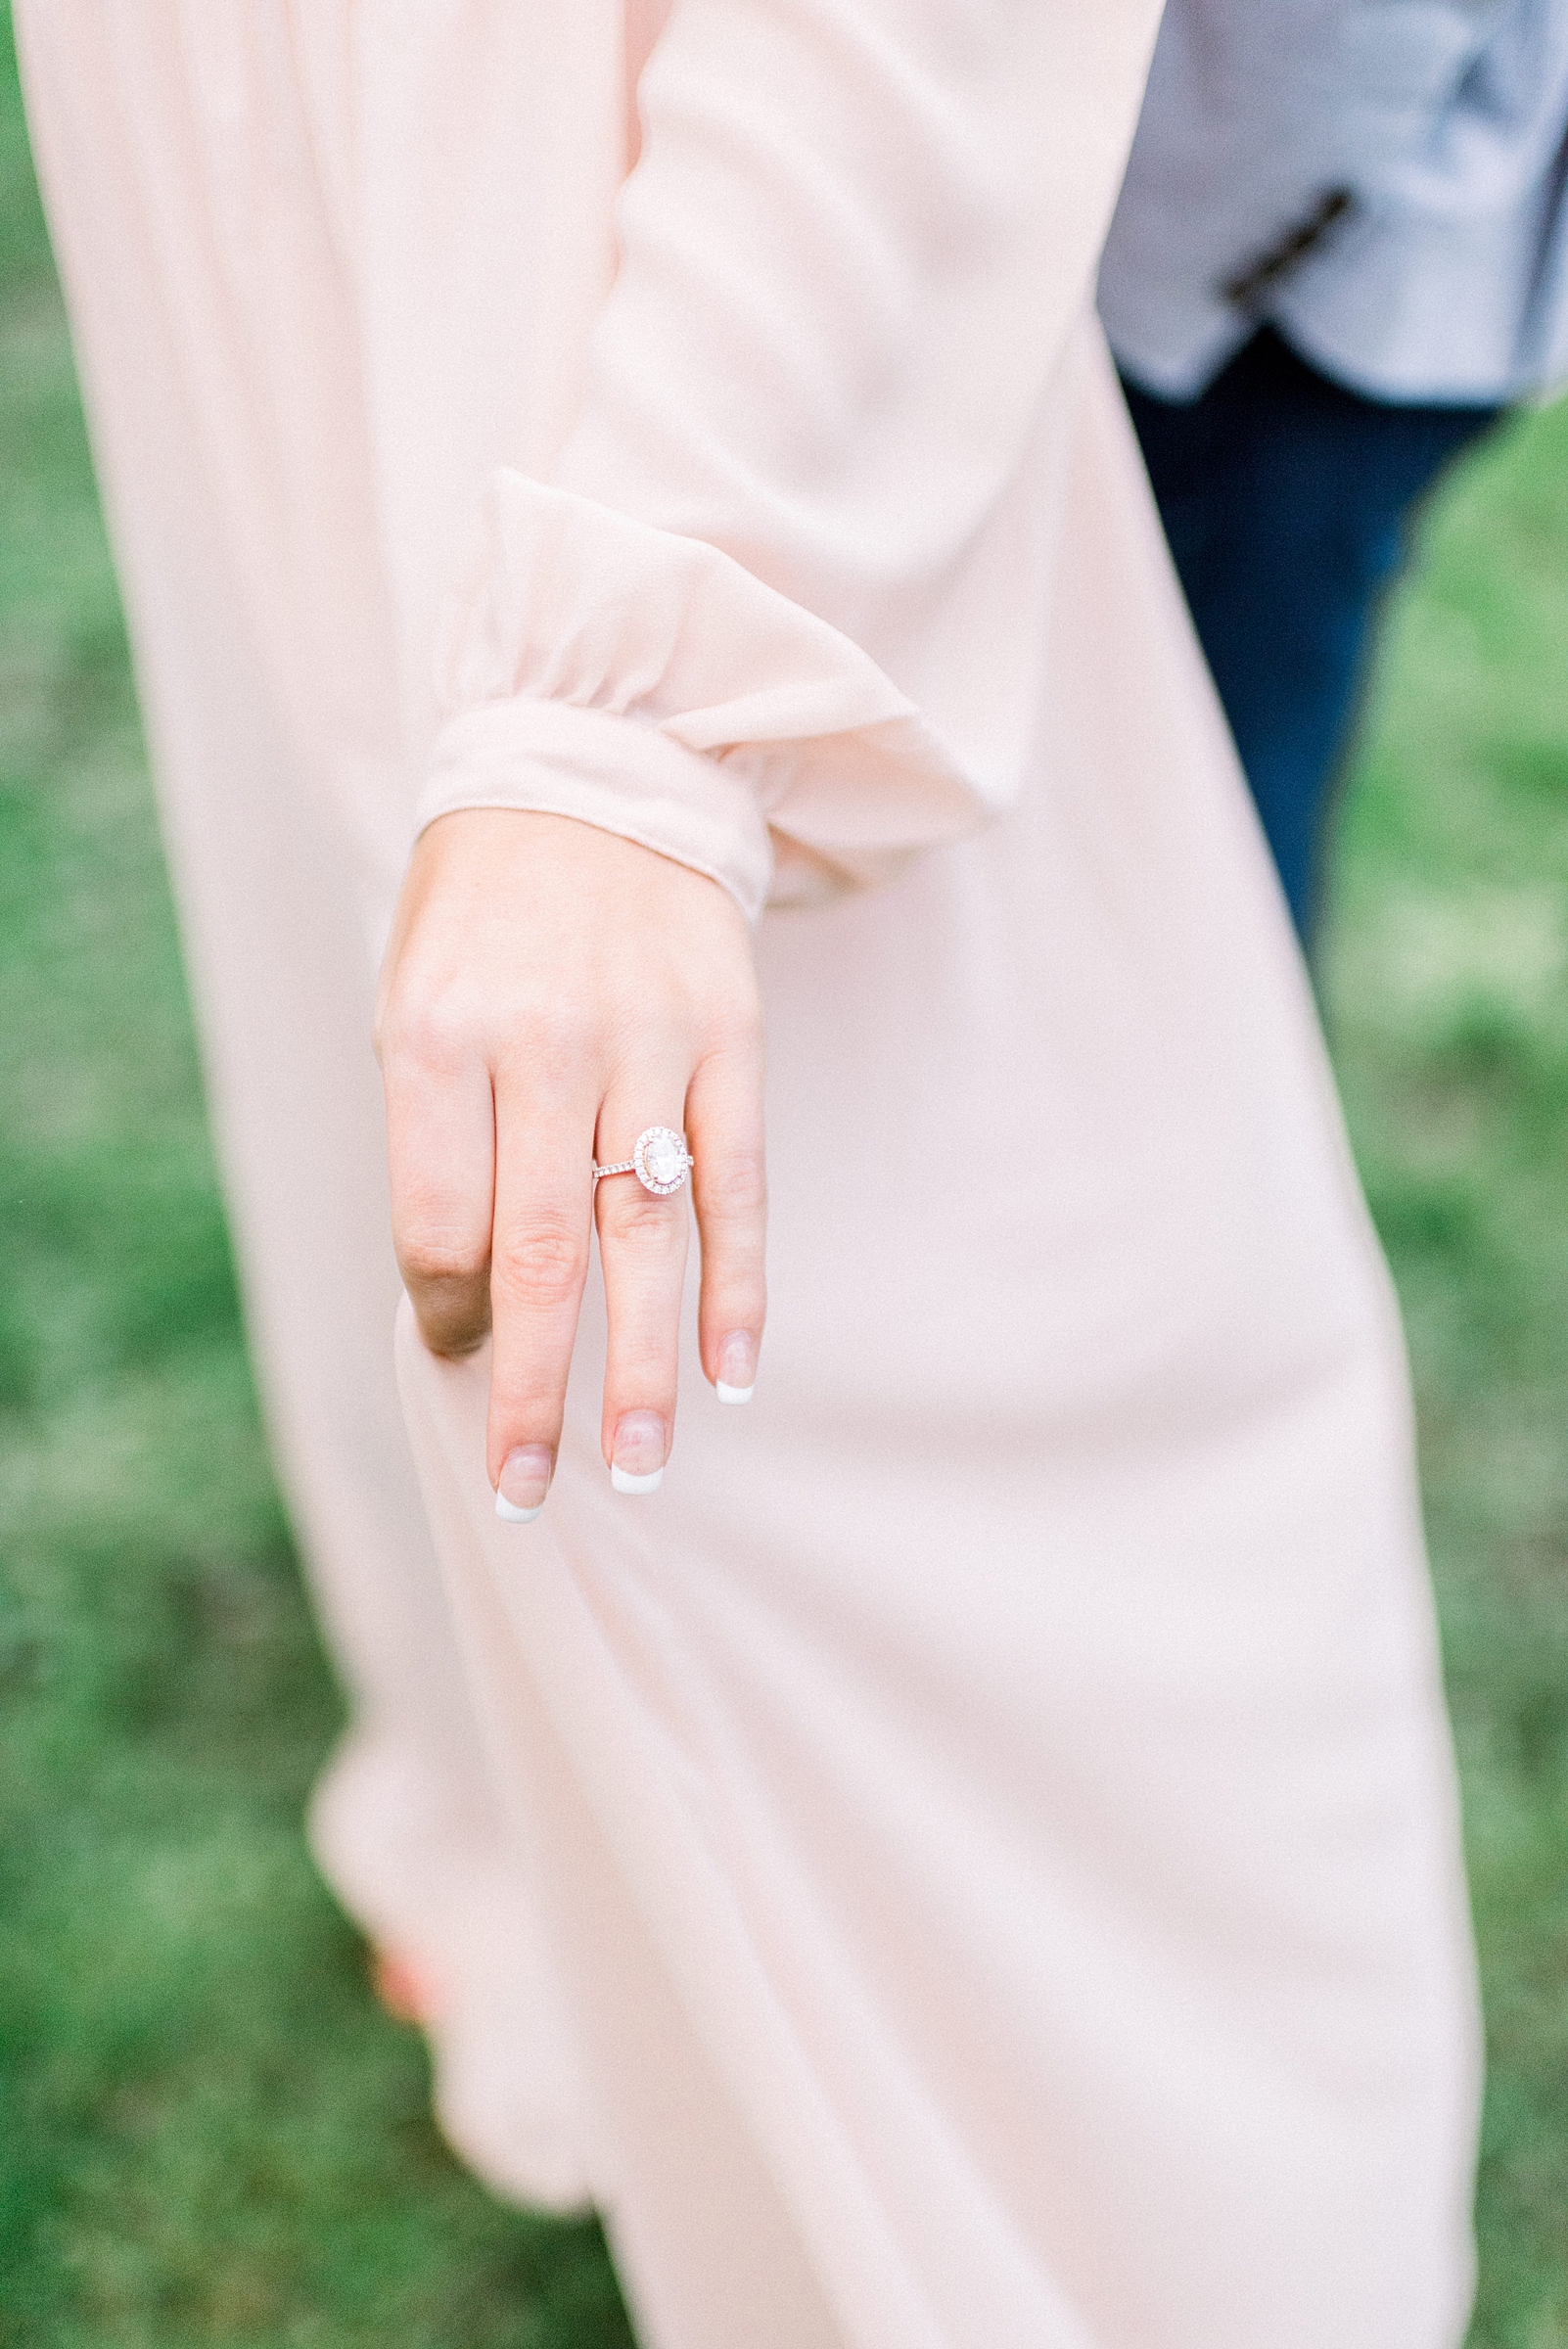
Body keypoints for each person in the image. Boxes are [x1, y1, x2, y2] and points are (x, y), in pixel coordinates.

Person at [19, 6, 1481, 2344]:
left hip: (787, 246)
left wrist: (634, 701)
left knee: (942, 1353)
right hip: (341, 222)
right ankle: (593, 1905)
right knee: (484, 1204)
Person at [1099, 0, 1568, 936]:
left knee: (1211, 782)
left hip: (1293, 284)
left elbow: (1356, 33)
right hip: (1410, 260)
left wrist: (1130, 293)